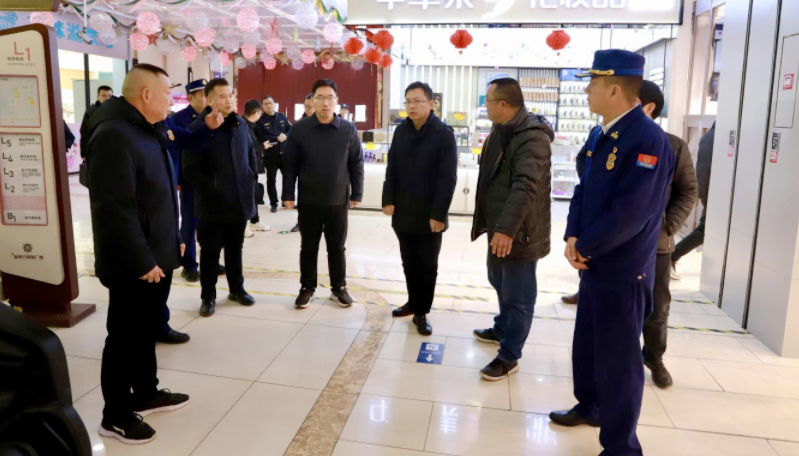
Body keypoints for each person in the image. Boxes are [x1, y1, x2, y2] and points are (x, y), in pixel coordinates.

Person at [549, 51, 676, 456]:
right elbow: (583, 189)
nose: (587, 90)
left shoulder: (647, 139)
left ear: (615, 89)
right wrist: (572, 236)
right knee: (588, 346)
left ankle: (622, 447)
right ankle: (591, 406)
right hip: (593, 263)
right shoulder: (600, 133)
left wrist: (585, 245)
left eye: (593, 83)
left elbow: (631, 214)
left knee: (619, 360)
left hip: (623, 269)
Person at [84, 64, 212, 444]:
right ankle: (115, 415)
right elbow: (115, 209)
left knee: (147, 329)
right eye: (168, 94)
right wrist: (142, 259)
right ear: (146, 95)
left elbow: (155, 193)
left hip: (158, 251)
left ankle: (145, 392)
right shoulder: (114, 134)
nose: (172, 101)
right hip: (133, 261)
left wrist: (171, 240)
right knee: (124, 336)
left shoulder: (149, 128)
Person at [469, 78, 554, 381]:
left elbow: (525, 186)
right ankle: (502, 328)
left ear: (503, 104)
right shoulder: (500, 129)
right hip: (500, 226)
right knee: (497, 279)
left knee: (519, 296)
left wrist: (505, 229)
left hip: (519, 232)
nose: (485, 106)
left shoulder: (532, 138)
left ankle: (509, 356)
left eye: (488, 100)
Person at [383, 82, 458, 336]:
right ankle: (413, 302)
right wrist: (388, 199)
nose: (412, 106)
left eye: (417, 101)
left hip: (429, 215)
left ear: (431, 103)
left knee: (427, 265)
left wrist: (439, 214)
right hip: (404, 211)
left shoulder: (443, 134)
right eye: (408, 101)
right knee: (408, 262)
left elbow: (448, 178)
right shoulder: (401, 131)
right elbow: (392, 168)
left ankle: (422, 311)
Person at [283, 79, 364, 309]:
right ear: (313, 101)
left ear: (337, 101)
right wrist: (288, 193)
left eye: (330, 98)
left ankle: (339, 288)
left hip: (338, 200)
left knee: (337, 248)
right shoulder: (300, 129)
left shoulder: (348, 129)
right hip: (309, 200)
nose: (325, 103)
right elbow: (290, 164)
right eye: (320, 98)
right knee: (308, 247)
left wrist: (357, 193)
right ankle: (307, 288)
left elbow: (356, 163)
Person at [182, 79, 257, 318]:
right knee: (210, 251)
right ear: (209, 100)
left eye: (230, 95)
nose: (229, 100)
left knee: (235, 248)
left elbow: (251, 154)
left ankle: (237, 289)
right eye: (222, 96)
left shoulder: (240, 124)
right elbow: (190, 169)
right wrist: (212, 189)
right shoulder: (199, 128)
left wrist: (250, 179)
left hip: (238, 200)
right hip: (212, 204)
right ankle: (208, 296)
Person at [170, 79, 225, 283]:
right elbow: (176, 152)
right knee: (190, 222)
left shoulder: (219, 116)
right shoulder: (178, 119)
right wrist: (177, 178)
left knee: (211, 222)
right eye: (202, 95)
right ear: (190, 98)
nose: (206, 98)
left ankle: (211, 261)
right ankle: (189, 264)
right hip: (190, 179)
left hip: (212, 181)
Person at [672, 122, 715, 275]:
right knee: (704, 231)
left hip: (707, 190)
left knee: (705, 230)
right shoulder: (722, 138)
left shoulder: (708, 136)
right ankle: (672, 256)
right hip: (714, 193)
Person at [257, 95, 292, 213]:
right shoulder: (260, 121)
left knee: (287, 178)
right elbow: (261, 136)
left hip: (285, 153)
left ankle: (285, 200)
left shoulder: (282, 116)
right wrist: (276, 138)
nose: (269, 105)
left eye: (270, 103)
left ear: (274, 103)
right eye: (266, 104)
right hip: (271, 155)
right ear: (263, 106)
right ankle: (273, 203)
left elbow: (290, 129)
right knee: (271, 180)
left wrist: (285, 135)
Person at [242, 99, 272, 237]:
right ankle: (244, 225)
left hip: (252, 167)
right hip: (244, 168)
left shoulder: (252, 126)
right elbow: (247, 147)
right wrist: (262, 146)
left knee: (253, 195)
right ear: (256, 113)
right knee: (246, 197)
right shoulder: (242, 126)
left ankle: (254, 220)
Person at [80, 85, 114, 158]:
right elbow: (84, 133)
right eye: (104, 95)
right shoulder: (91, 112)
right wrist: (84, 154)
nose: (107, 98)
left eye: (110, 96)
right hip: (96, 149)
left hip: (113, 149)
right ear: (98, 97)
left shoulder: (116, 111)